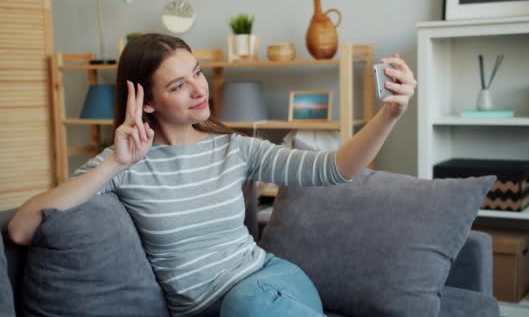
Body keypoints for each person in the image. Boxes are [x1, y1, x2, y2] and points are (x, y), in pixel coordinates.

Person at [8, 33, 417, 317]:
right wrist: (116, 163)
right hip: (215, 309)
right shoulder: (124, 164)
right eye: (179, 86)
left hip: (270, 284)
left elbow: (335, 170)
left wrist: (390, 114)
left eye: (198, 73)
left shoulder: (234, 148)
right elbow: (23, 228)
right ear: (146, 103)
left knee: (247, 304)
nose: (199, 90)